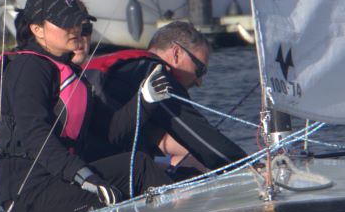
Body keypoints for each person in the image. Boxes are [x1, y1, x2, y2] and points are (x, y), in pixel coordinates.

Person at [0, 0, 162, 212]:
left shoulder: (66, 71)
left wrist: (146, 99)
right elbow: (35, 136)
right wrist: (84, 176)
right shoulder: (30, 68)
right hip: (32, 197)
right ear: (37, 29)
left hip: (60, 181)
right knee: (138, 170)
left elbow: (112, 131)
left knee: (139, 164)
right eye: (64, 22)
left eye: (77, 22)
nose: (75, 29)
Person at [78, 20, 247, 176]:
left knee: (185, 168)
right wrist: (246, 166)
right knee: (192, 174)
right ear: (176, 53)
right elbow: (194, 131)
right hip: (100, 171)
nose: (199, 82)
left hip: (84, 165)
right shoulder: (154, 74)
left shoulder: (127, 67)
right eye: (200, 70)